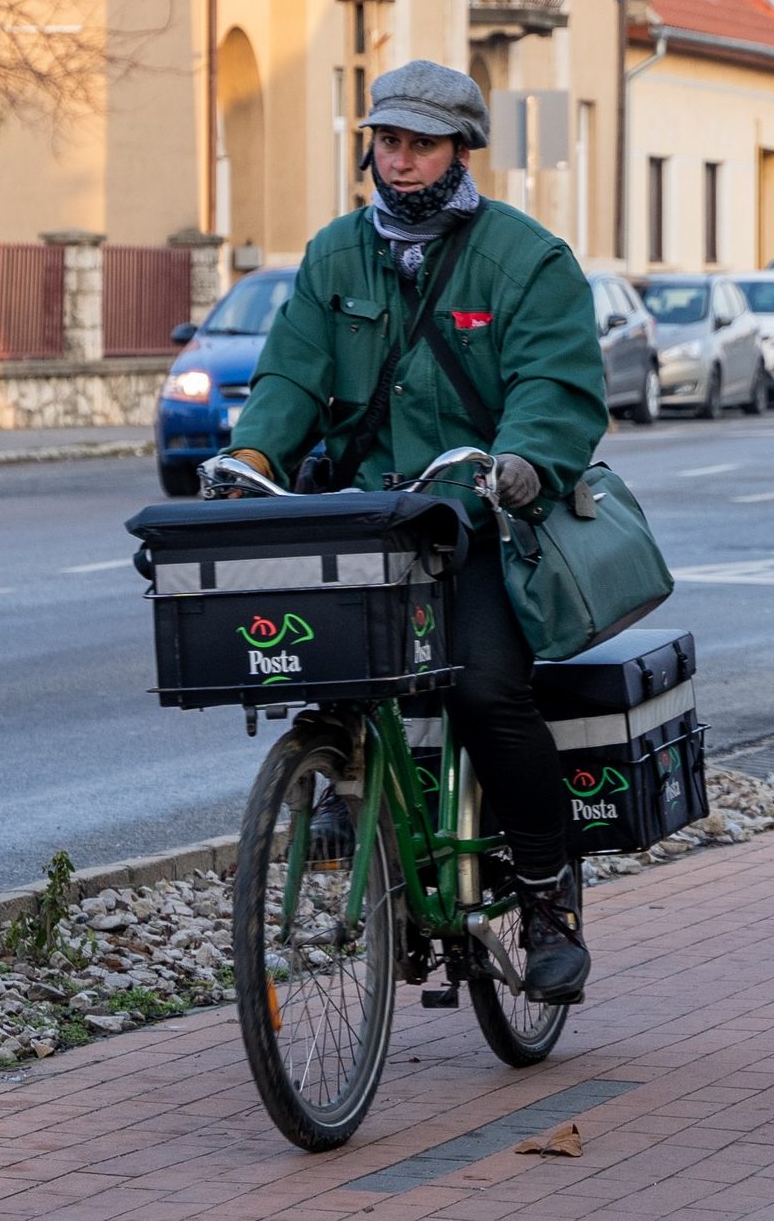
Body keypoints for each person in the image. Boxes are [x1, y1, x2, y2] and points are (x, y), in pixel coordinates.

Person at [217, 61, 608, 1004]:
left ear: (459, 150)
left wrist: (521, 463)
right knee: (325, 671)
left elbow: (556, 387)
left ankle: (549, 893)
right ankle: (348, 798)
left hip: (472, 517)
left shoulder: (525, 259)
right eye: (387, 141)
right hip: (364, 513)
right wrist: (253, 461)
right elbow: (293, 379)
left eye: (420, 144)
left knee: (483, 691)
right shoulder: (333, 255)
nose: (399, 161)